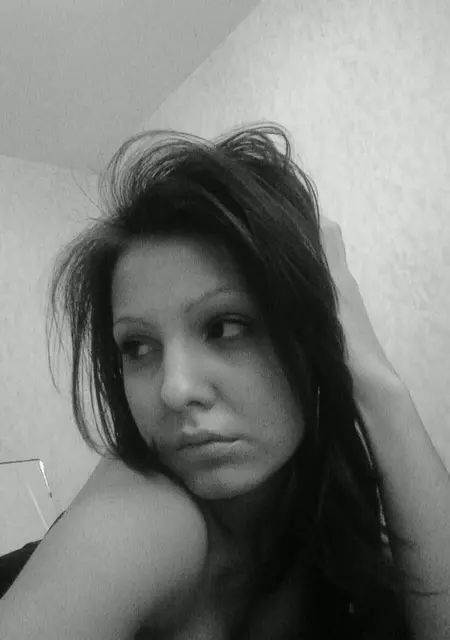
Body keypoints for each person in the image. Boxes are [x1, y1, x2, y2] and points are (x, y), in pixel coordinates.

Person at [0, 122, 448, 639]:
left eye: (225, 327)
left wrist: (376, 383)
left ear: (312, 332)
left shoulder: (328, 517)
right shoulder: (144, 518)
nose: (174, 389)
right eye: (137, 346)